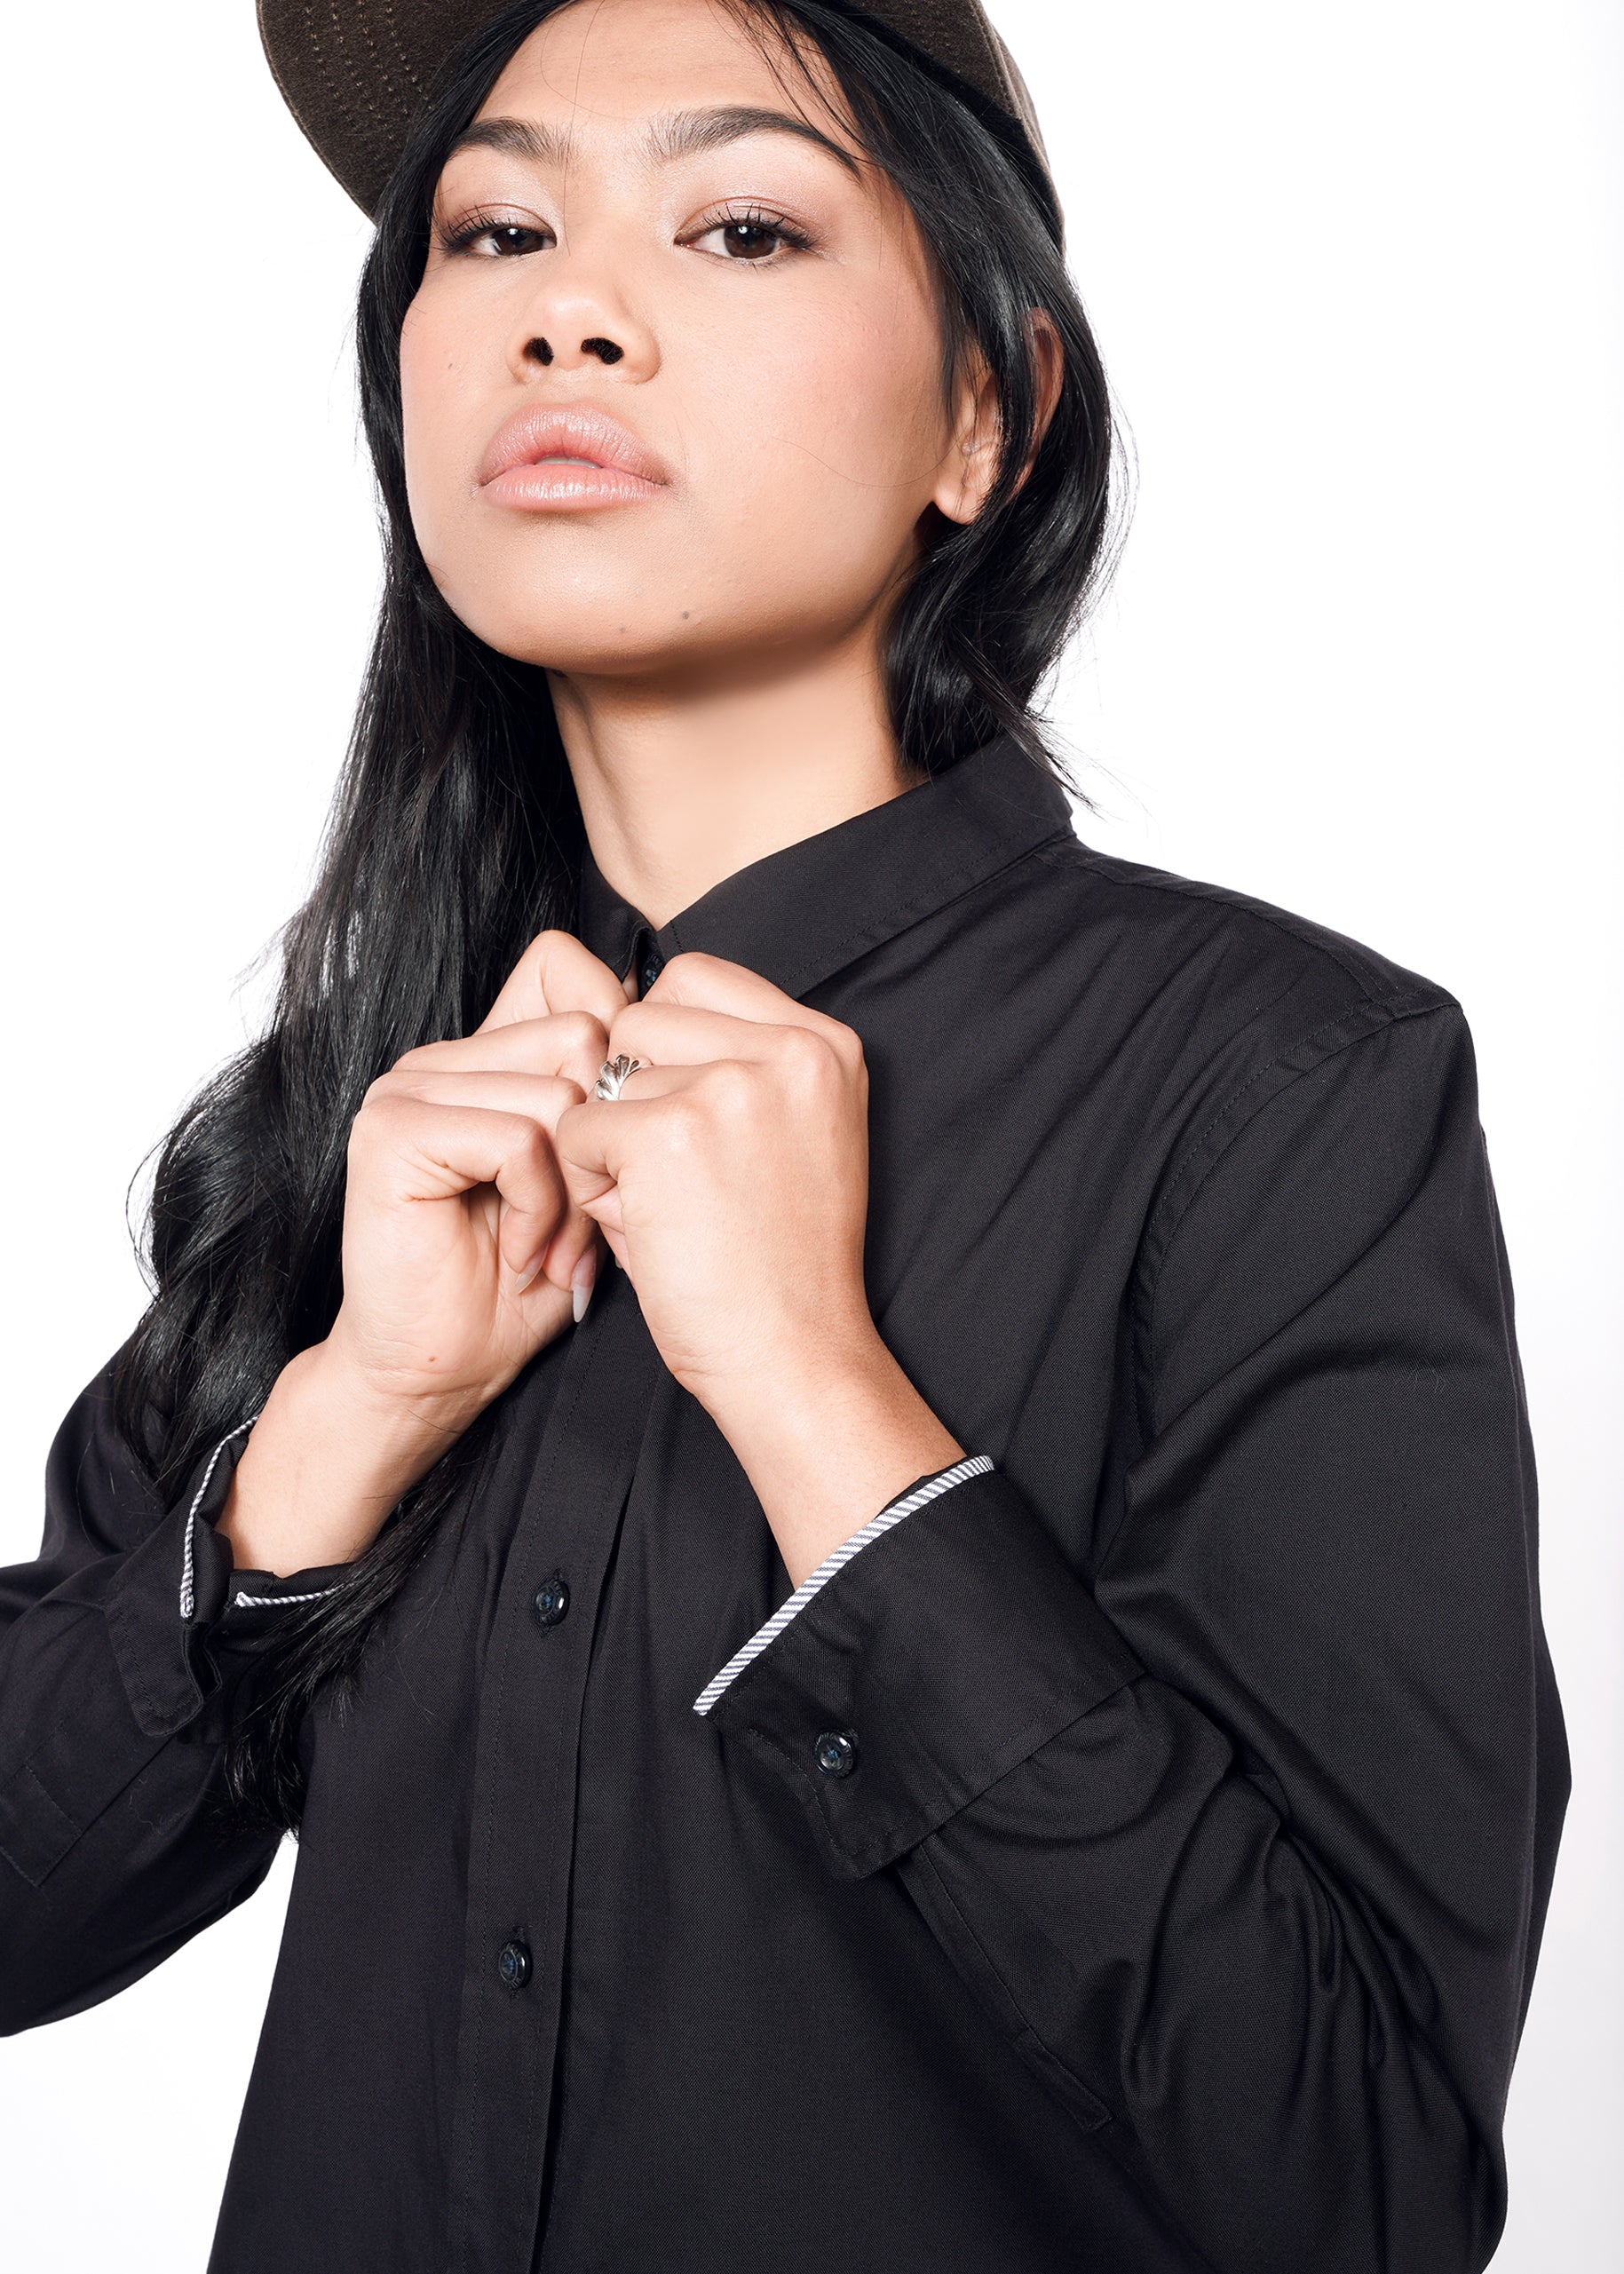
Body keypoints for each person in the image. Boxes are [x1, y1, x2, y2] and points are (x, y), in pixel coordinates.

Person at [0, 2, 1569, 2269]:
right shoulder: (356, 1116)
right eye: (499, 225)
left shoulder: (1281, 1088)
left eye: (737, 223)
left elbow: (1362, 2185)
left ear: (985, 414)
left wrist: (830, 1414)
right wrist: (347, 1427)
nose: (572, 305)